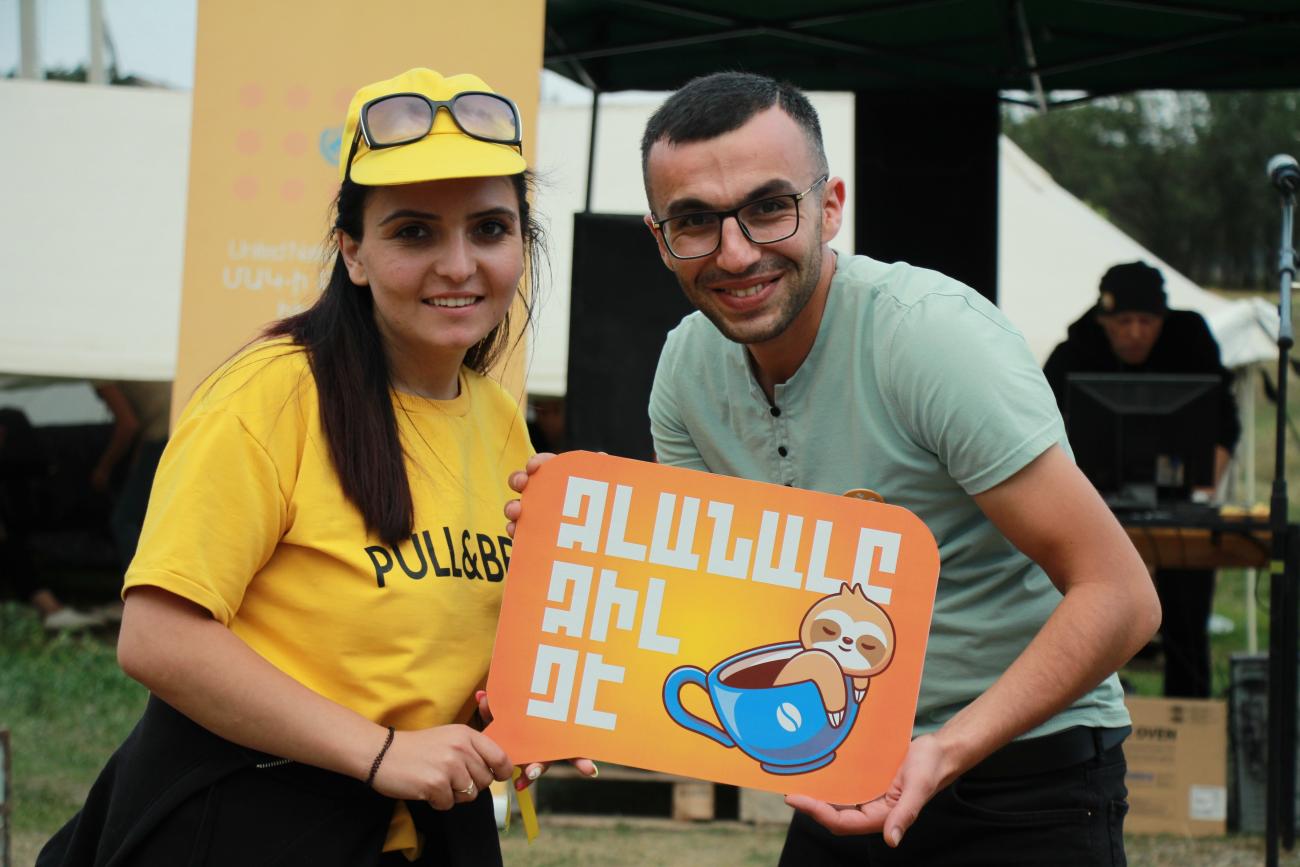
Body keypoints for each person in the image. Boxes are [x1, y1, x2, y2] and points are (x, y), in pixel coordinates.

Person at [556, 70, 1158, 865]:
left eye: (770, 207)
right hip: (847, 754)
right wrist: (578, 554)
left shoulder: (931, 339)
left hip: (1028, 772)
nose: (734, 253)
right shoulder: (684, 371)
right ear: (660, 238)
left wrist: (944, 748)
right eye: (695, 221)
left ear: (830, 204)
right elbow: (716, 602)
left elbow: (1123, 597)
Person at [39, 68, 591, 867]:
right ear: (353, 252)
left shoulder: (500, 419)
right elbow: (156, 637)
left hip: (420, 831)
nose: (459, 263)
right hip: (247, 818)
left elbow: (432, 649)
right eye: (413, 232)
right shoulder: (273, 392)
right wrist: (380, 750)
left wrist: (518, 719)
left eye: (489, 229)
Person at [1044, 261, 1241, 698]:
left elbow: (1225, 423)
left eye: (1147, 321)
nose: (1135, 333)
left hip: (1176, 504)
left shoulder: (1190, 340)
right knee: (1076, 622)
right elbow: (1037, 428)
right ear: (1103, 320)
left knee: (1187, 626)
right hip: (1086, 506)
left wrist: (1200, 496)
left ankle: (1187, 723)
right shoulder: (1073, 352)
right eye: (1123, 322)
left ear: (1162, 319)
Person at [0, 407, 102, 631]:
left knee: (12, 544)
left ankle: (50, 609)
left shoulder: (21, 468)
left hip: (19, 532)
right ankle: (50, 609)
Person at [90, 380, 172, 572]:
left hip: (161, 436)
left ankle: (142, 589)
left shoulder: (98, 372)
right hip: (178, 427)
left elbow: (128, 425)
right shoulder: (129, 356)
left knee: (125, 521)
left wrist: (104, 468)